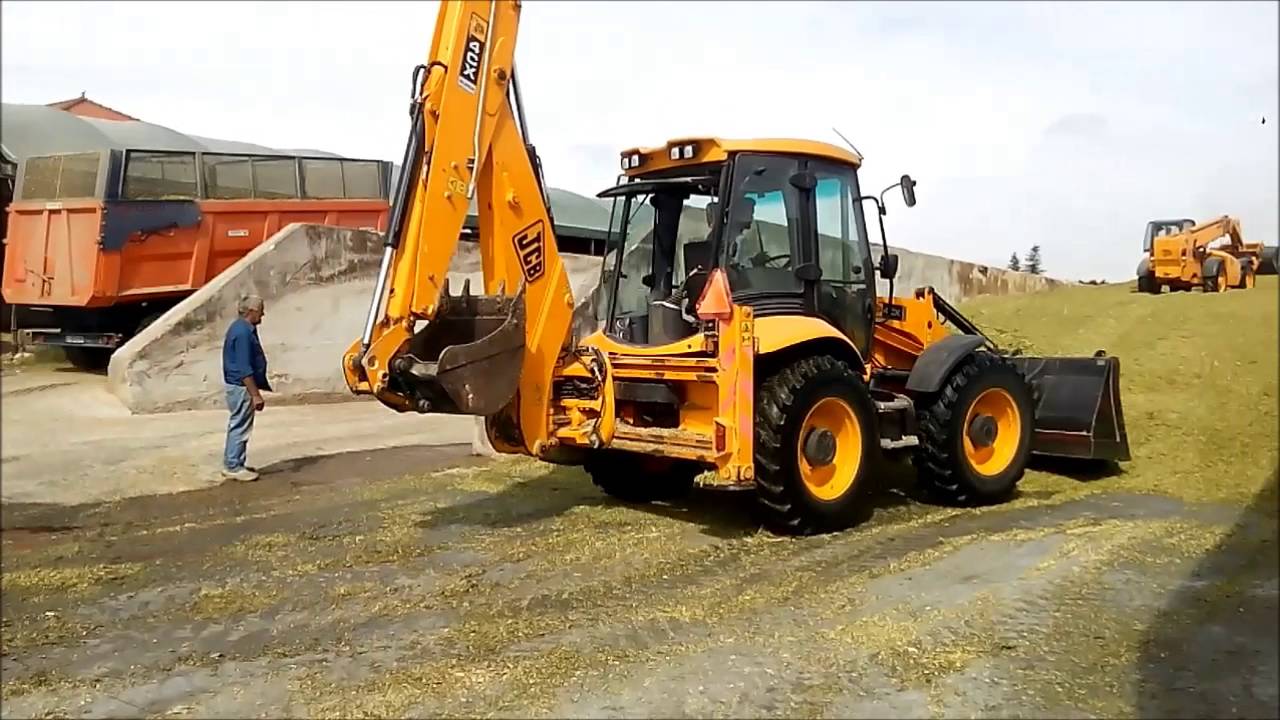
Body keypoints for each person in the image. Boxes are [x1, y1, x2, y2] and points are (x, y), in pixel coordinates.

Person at [221, 295, 271, 481]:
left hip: (237, 385)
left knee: (240, 424)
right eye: (260, 310)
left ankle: (235, 461)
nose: (263, 314)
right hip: (241, 387)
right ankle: (233, 466)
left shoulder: (241, 328)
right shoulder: (243, 333)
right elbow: (244, 367)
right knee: (240, 426)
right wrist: (255, 395)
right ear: (251, 311)